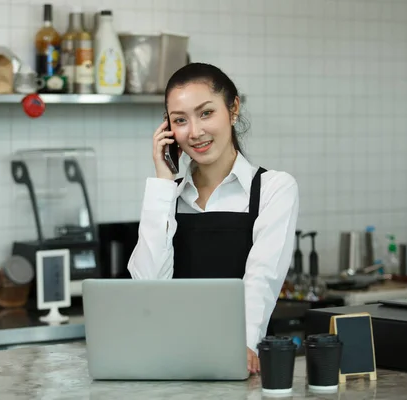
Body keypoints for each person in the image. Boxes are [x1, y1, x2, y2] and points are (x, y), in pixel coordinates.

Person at [127, 63, 300, 374]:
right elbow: (147, 289)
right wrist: (163, 179)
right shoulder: (168, 196)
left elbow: (261, 279)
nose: (194, 132)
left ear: (233, 110)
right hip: (171, 365)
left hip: (241, 364)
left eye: (206, 113)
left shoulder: (273, 189)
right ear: (168, 129)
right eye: (180, 120)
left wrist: (242, 346)